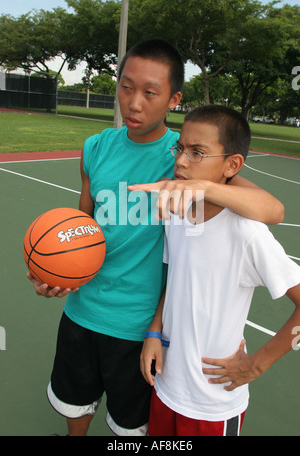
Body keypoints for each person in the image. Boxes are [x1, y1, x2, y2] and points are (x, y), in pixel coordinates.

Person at [28, 40, 284, 437]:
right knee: (74, 401)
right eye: (126, 87)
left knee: (130, 425)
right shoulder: (95, 147)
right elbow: (82, 225)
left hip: (140, 327)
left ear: (173, 98)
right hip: (83, 312)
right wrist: (58, 272)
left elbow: (272, 209)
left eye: (150, 92)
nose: (133, 103)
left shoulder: (183, 156)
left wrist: (202, 188)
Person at [131, 105, 300, 437]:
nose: (180, 160)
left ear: (232, 165)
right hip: (167, 386)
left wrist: (257, 364)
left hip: (212, 403)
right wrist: (154, 330)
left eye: (197, 153)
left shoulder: (247, 233)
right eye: (179, 148)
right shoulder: (178, 212)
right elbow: (177, 277)